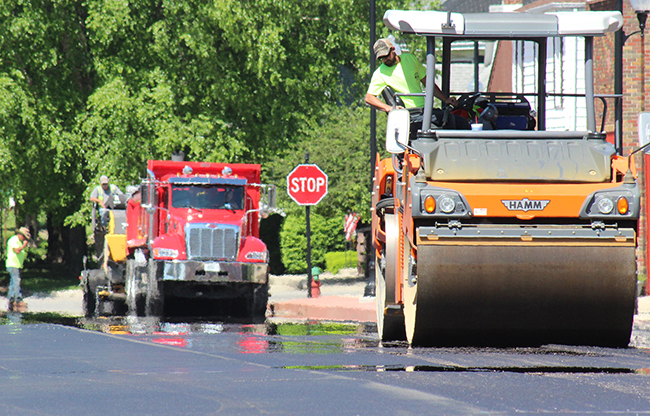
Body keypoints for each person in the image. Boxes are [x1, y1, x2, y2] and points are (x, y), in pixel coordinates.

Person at [365, 38, 470, 130]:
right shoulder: (379, 73)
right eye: (381, 58)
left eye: (386, 55)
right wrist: (389, 108)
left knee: (462, 121)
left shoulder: (410, 59)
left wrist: (445, 99)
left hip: (424, 110)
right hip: (410, 115)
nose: (385, 59)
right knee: (448, 119)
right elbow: (369, 98)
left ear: (393, 49)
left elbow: (427, 83)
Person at [6, 227, 30, 311]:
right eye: (24, 237)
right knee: (16, 281)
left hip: (17, 265)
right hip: (13, 265)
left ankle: (11, 300)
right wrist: (24, 245)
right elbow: (16, 250)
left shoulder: (18, 241)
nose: (24, 239)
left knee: (13, 282)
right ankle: (18, 299)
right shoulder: (14, 240)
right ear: (20, 235)